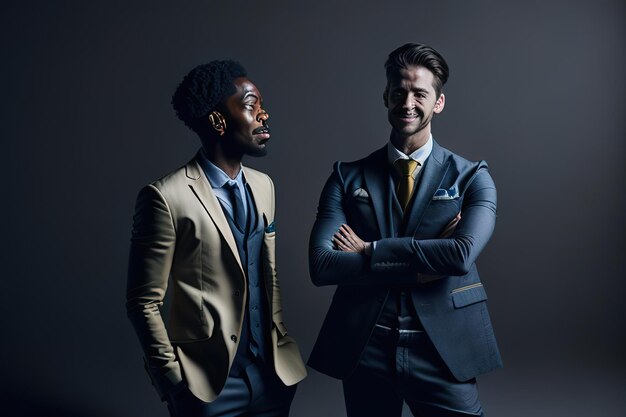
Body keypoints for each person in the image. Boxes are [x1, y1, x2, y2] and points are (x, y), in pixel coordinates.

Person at [308, 43, 502, 417]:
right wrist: (425, 266)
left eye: (420, 93)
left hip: (443, 352)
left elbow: (460, 256)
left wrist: (369, 250)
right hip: (366, 349)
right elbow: (322, 266)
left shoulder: (473, 177)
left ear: (438, 102)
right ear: (386, 95)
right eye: (399, 91)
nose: (407, 102)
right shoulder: (346, 177)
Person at [126, 60, 306, 417]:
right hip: (208, 387)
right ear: (218, 121)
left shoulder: (264, 186)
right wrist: (172, 381)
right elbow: (142, 301)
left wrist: (279, 336)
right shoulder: (165, 196)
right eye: (253, 105)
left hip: (272, 376)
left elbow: (266, 276)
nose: (264, 115)